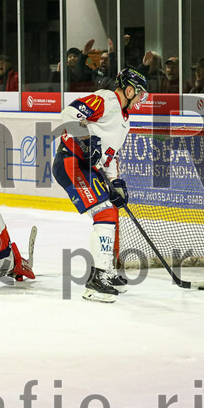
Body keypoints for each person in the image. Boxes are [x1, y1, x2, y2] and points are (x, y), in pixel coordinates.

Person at [52, 68, 149, 303]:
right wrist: (86, 140)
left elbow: (108, 155)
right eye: (139, 94)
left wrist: (115, 182)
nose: (140, 100)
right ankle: (96, 281)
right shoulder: (106, 99)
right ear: (129, 89)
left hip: (87, 167)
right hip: (71, 162)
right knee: (104, 212)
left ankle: (104, 272)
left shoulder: (124, 121)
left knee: (110, 212)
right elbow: (69, 113)